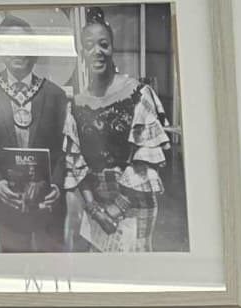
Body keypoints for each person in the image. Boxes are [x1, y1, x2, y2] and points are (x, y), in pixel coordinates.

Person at [0, 15, 77, 255]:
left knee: (51, 270)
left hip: (48, 204)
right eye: (10, 43)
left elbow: (64, 151)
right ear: (0, 49)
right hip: (7, 204)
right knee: (16, 268)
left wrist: (57, 186)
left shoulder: (54, 94)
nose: (18, 50)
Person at [64, 7, 171, 255]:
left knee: (134, 271)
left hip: (134, 202)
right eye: (89, 45)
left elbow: (146, 163)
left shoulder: (137, 94)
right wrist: (94, 210)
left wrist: (114, 210)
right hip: (97, 207)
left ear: (112, 48)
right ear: (81, 52)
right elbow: (75, 164)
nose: (97, 51)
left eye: (104, 44)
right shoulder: (76, 105)